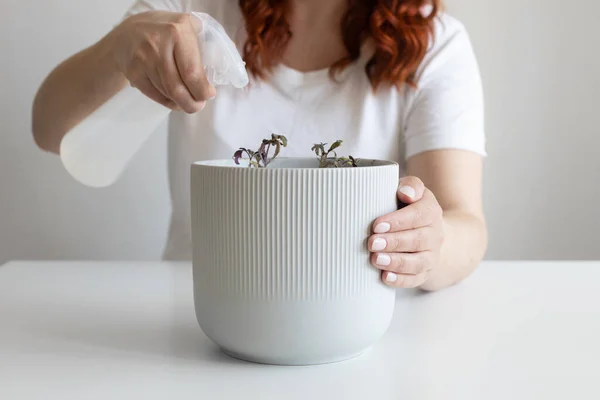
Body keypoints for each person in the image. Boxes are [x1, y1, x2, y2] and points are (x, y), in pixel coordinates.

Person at [31, 0, 487, 291]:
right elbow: (48, 128)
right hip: (197, 314)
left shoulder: (434, 45)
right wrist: (118, 47)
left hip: (358, 321)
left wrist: (431, 244)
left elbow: (463, 220)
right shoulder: (192, 17)